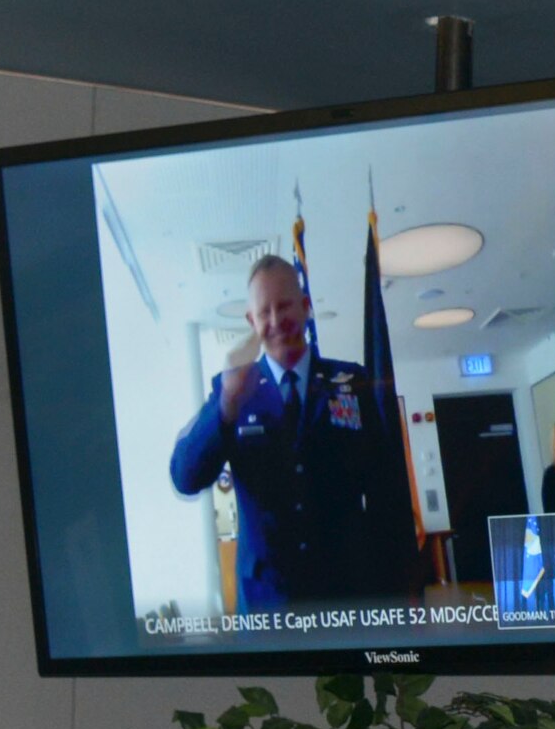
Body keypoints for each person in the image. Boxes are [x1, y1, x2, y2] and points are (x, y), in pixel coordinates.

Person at [170, 255, 417, 613]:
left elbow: (385, 488)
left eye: (284, 306)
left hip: (348, 598)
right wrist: (226, 403)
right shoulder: (230, 390)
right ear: (250, 320)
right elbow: (185, 478)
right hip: (267, 607)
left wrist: (398, 587)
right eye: (264, 312)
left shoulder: (353, 382)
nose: (275, 321)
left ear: (305, 307)